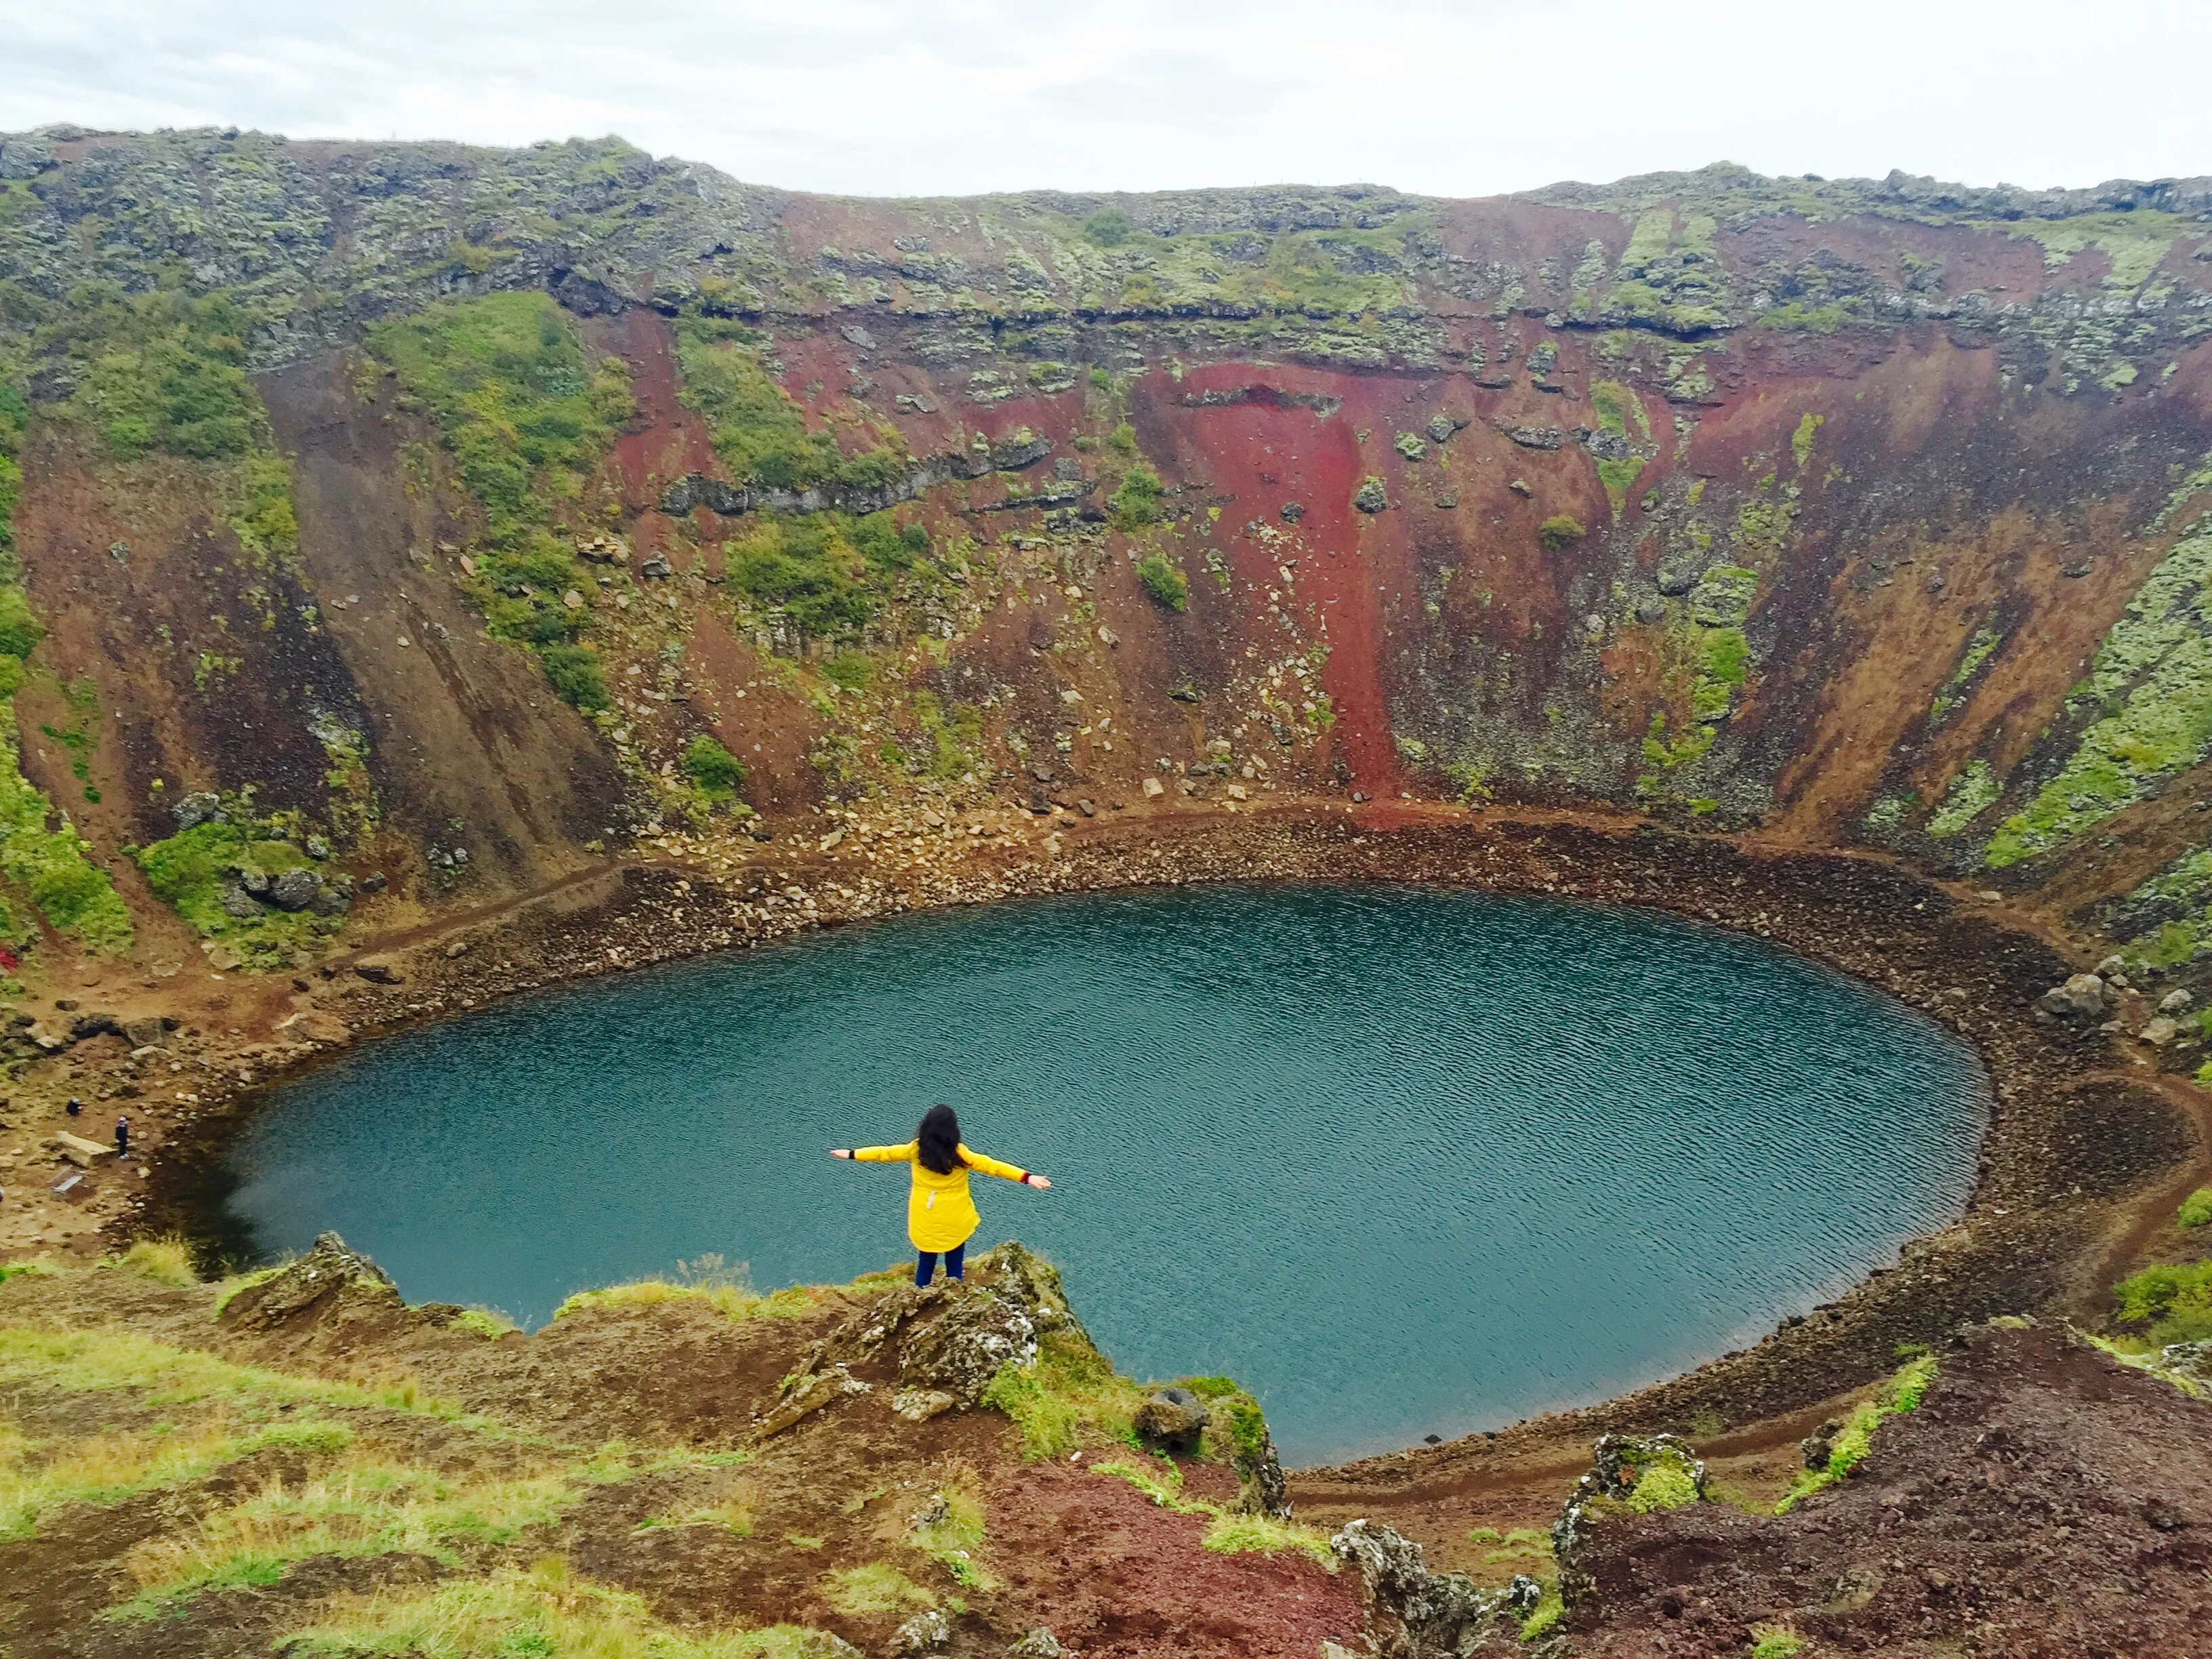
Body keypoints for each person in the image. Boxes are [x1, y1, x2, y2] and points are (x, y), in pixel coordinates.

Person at [833, 1104, 1049, 1286]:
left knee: (926, 1260)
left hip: (925, 1215)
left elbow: (884, 1153)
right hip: (955, 1216)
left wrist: (852, 1154)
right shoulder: (960, 1154)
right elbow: (993, 1166)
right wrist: (1026, 1177)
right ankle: (954, 1291)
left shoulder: (916, 1150)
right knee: (955, 1260)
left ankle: (920, 1295)